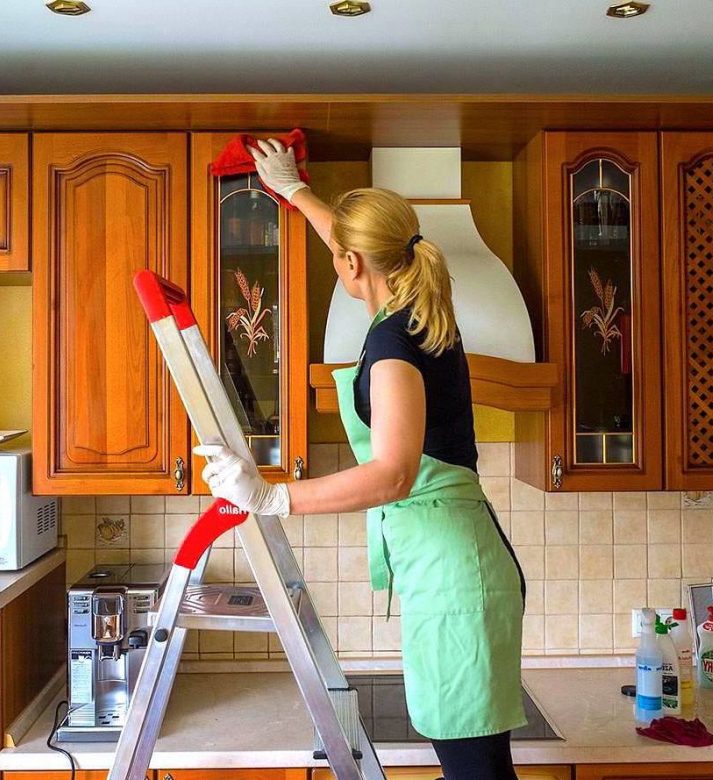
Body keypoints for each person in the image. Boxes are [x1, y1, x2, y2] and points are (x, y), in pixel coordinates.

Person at [195, 138, 527, 780]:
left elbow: (393, 473)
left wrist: (270, 497)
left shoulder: (395, 345)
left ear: (353, 265)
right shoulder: (417, 311)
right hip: (455, 563)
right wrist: (294, 192)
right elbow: (354, 247)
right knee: (475, 766)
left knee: (474, 773)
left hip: (455, 573)